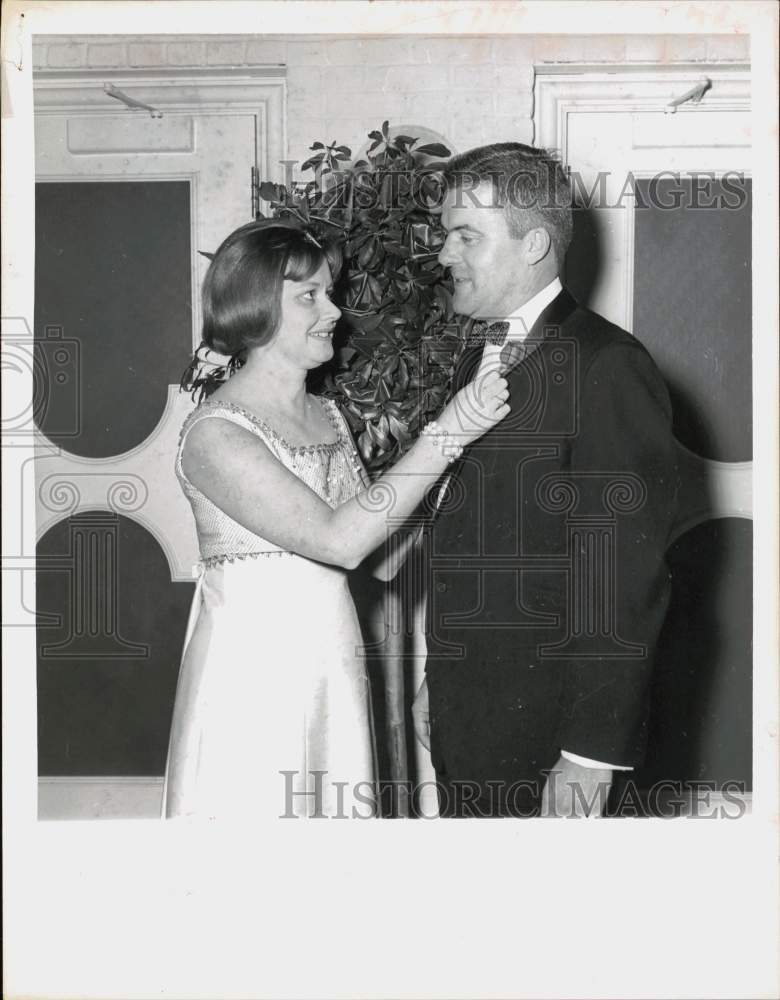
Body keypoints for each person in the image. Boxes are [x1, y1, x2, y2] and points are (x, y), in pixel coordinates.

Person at [162, 219, 510, 820]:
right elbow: (339, 541)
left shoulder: (327, 414)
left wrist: (469, 476)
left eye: (329, 291)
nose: (335, 311)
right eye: (310, 296)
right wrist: (450, 432)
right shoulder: (215, 433)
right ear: (255, 308)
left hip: (331, 663)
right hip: (254, 674)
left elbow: (381, 557)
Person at [412, 143, 678, 818]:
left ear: (533, 244)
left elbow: (621, 576)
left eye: (466, 235)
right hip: (469, 718)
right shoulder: (478, 355)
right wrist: (436, 684)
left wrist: (591, 753)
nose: (444, 255)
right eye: (446, 235)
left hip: (551, 741)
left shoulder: (607, 366)